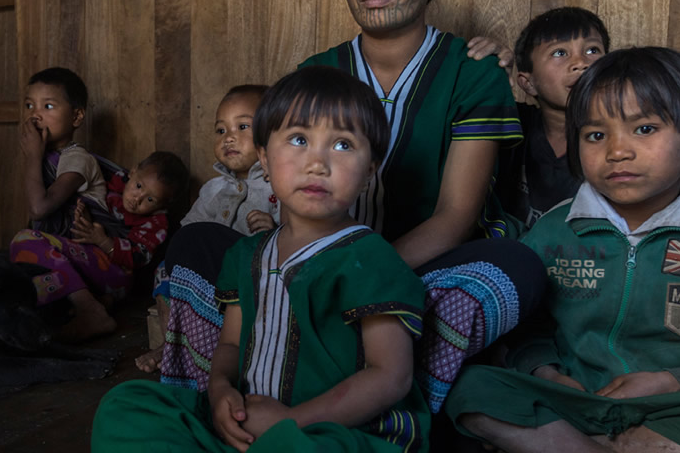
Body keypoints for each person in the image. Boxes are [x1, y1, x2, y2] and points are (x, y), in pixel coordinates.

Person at [159, 0, 545, 415]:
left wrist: (350, 279)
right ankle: (231, 404)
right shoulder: (316, 73)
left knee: (514, 268)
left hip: (415, 271)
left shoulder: (471, 71)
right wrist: (301, 271)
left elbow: (455, 217)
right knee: (196, 247)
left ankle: (379, 396)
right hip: (303, 265)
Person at [443, 47, 680, 453]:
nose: (617, 151)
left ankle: (612, 443)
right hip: (574, 400)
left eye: (645, 129)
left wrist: (673, 381)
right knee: (470, 386)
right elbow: (525, 329)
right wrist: (546, 373)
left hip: (679, 405)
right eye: (596, 135)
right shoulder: (554, 229)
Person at [92, 66, 430, 453]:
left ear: (369, 172)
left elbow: (391, 377)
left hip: (336, 434)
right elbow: (232, 347)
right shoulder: (246, 254)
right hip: (249, 425)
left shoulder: (370, 259)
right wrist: (220, 392)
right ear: (265, 160)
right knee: (126, 407)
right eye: (299, 139)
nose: (317, 163)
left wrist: (291, 422)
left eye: (342, 145)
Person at [139, 85, 280, 374]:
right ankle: (173, 342)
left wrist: (274, 229)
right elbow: (188, 235)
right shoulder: (212, 190)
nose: (229, 137)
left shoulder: (277, 187)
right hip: (205, 280)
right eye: (220, 130)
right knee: (166, 268)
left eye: (242, 127)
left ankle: (221, 348)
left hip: (249, 281)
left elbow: (299, 240)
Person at [10, 151, 188, 342]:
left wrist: (101, 240)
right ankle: (96, 303)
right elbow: (97, 205)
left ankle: (89, 310)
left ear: (164, 204)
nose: (137, 199)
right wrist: (86, 217)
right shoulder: (116, 183)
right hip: (94, 264)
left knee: (25, 240)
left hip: (117, 274)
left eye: (150, 199)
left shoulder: (156, 223)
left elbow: (137, 257)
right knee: (35, 284)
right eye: (138, 186)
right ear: (133, 171)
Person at [497, 7, 610, 232]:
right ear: (527, 83)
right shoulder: (514, 124)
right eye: (560, 53)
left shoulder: (620, 141)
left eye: (593, 50)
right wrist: (492, 72)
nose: (581, 63)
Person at [21, 67, 107, 237]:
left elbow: (39, 209)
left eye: (48, 106)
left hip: (84, 250)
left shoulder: (78, 159)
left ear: (76, 117)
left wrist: (32, 156)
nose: (35, 115)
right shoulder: (43, 154)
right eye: (29, 105)